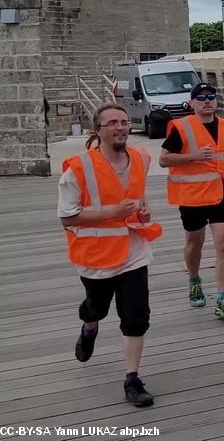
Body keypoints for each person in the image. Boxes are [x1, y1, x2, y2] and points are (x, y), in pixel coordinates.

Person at [59, 103, 162, 407]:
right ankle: (89, 327)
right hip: (96, 257)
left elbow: (139, 200)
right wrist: (111, 213)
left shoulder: (142, 158)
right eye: (113, 123)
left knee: (136, 315)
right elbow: (67, 218)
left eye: (124, 122)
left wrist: (143, 213)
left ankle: (132, 379)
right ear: (99, 130)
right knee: (96, 308)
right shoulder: (77, 168)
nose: (120, 127)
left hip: (134, 251)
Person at [158, 83, 224, 320]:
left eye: (211, 97)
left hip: (221, 192)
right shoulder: (181, 127)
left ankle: (223, 298)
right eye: (201, 98)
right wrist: (192, 157)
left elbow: (223, 153)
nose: (207, 101)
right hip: (192, 195)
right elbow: (164, 160)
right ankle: (194, 279)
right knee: (194, 243)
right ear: (192, 103)